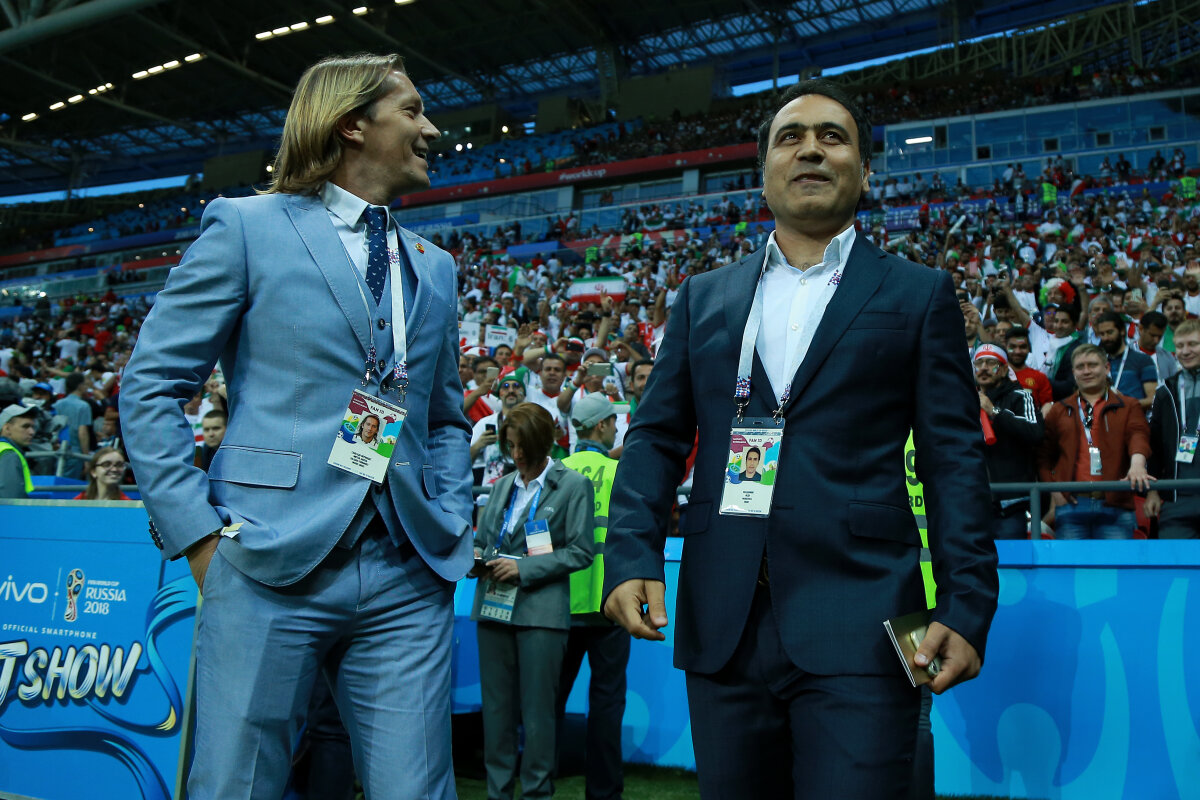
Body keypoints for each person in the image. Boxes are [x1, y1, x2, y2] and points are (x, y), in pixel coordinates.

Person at [601, 78, 998, 799]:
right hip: (723, 624)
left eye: (831, 137)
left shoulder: (918, 293)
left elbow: (953, 461)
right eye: (791, 137)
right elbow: (655, 437)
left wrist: (966, 605)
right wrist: (630, 553)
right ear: (764, 173)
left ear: (865, 172)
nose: (810, 149)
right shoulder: (703, 297)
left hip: (866, 615)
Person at [119, 54, 472, 800]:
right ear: (351, 124)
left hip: (408, 570)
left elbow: (445, 417)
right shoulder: (245, 227)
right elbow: (151, 386)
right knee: (236, 787)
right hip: (266, 558)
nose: (432, 129)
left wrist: (452, 514)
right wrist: (199, 537)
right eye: (412, 111)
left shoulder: (435, 266)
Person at [469, 402, 595, 800]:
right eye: (511, 445)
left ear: (544, 443)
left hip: (541, 614)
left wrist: (523, 569)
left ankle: (538, 792)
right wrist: (475, 558)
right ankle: (498, 793)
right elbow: (482, 540)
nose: (517, 454)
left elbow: (581, 552)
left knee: (539, 714)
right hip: (493, 608)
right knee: (496, 713)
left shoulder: (573, 485)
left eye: (523, 445)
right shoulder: (502, 485)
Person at [557, 393, 631, 800]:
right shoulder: (619, 472)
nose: (616, 428)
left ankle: (539, 782)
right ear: (601, 426)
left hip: (558, 602)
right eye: (613, 422)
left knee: (548, 701)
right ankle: (603, 793)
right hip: (610, 602)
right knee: (607, 703)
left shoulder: (556, 471)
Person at [1038, 344, 1152, 539]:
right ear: (1073, 372)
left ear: (1107, 368)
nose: (1086, 371)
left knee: (1116, 560)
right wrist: (1054, 490)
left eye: (1092, 365)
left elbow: (1138, 435)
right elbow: (1043, 456)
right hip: (1071, 505)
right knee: (1071, 560)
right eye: (1080, 367)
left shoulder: (1128, 406)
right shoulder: (1059, 410)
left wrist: (1137, 464)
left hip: (1116, 503)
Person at [973, 344, 1043, 539]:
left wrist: (994, 412)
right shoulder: (965, 400)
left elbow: (1035, 432)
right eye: (979, 363)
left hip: (1011, 502)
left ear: (1004, 370)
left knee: (1011, 558)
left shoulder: (1021, 396)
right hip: (974, 501)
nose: (984, 368)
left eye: (991, 363)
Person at [1146, 319, 1200, 538]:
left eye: (1193, 344)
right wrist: (1153, 491)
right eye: (1180, 346)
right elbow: (1155, 446)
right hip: (1177, 500)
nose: (1185, 351)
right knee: (1173, 557)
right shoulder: (1165, 391)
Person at [1095, 311, 1157, 410]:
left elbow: (1153, 400)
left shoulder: (1143, 360)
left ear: (1122, 331)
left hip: (1134, 417)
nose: (1106, 338)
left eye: (1110, 332)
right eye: (1102, 334)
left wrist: (1124, 403)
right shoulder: (1098, 363)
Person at [54, 371, 93, 478]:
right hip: (74, 453)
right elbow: (82, 432)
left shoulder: (57, 404)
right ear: (80, 386)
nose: (87, 387)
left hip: (58, 449)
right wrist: (86, 458)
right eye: (85, 384)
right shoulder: (83, 406)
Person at [0, 404, 37, 498]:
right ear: (7, 428)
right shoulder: (8, 453)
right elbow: (11, 498)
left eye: (32, 427)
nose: (32, 432)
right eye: (25, 426)